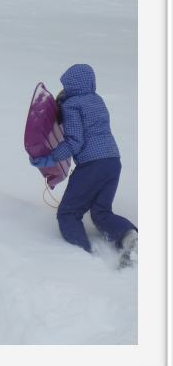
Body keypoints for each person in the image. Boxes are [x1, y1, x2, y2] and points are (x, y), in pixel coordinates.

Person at [30, 63, 137, 263]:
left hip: (92, 166)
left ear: (70, 86)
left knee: (68, 213)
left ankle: (82, 259)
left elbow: (75, 141)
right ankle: (129, 237)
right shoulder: (97, 101)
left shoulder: (72, 105)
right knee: (101, 212)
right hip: (113, 162)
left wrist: (51, 157)